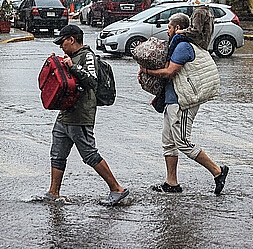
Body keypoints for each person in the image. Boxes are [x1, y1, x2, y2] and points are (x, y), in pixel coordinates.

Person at [140, 12, 229, 195]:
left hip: (183, 102)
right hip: (171, 100)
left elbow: (170, 72)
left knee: (182, 142)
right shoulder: (177, 45)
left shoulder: (183, 46)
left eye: (170, 27)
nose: (167, 30)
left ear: (178, 28)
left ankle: (217, 171)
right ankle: (171, 183)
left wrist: (148, 71)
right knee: (168, 142)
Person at [46, 24, 129, 205]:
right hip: (65, 114)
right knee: (57, 154)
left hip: (81, 116)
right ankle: (53, 193)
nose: (61, 46)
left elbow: (92, 80)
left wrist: (72, 66)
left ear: (72, 39)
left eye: (62, 42)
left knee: (89, 155)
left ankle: (117, 189)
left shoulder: (87, 56)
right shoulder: (72, 56)